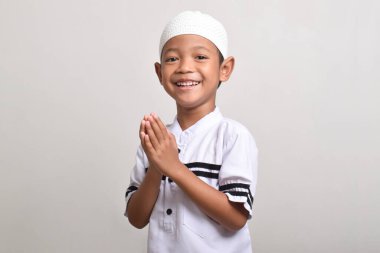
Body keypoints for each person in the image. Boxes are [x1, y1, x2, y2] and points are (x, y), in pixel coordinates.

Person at [124, 10, 258, 253]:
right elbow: (136, 218)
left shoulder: (232, 136)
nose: (185, 67)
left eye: (200, 56)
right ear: (159, 72)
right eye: (173, 59)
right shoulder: (156, 142)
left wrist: (174, 168)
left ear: (224, 69)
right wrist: (156, 167)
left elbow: (236, 219)